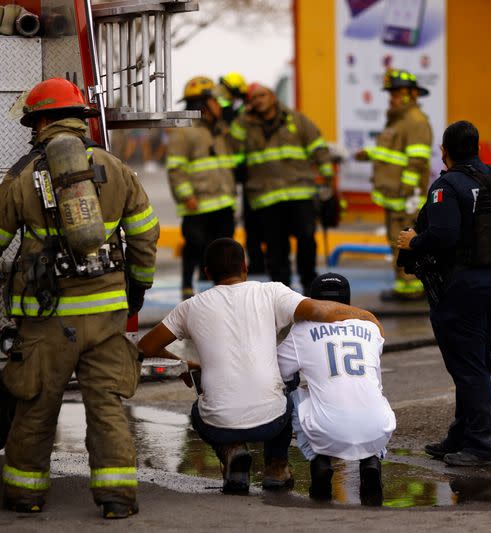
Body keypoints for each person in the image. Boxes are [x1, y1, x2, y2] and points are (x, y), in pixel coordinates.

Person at [0, 78, 159, 518]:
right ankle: (117, 499)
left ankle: (25, 496)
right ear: (79, 119)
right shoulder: (116, 169)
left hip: (47, 321)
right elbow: (144, 234)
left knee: (36, 405)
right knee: (106, 406)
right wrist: (138, 286)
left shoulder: (25, 174)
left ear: (42, 120)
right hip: (106, 317)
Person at [138, 238, 382, 493]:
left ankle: (231, 451)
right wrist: (368, 317)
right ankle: (276, 467)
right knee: (288, 385)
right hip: (273, 419)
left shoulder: (188, 308)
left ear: (207, 273)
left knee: (198, 412)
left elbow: (145, 347)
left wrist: (184, 364)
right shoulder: (271, 292)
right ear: (245, 266)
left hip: (219, 422)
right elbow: (322, 311)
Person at [397, 120, 491, 466]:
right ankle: (461, 435)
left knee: (469, 369)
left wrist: (414, 242)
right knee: (475, 364)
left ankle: (481, 445)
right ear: (476, 148)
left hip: (462, 289)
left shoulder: (447, 186)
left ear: (445, 151)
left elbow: (442, 234)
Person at [276, 273, 395, 506]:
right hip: (377, 428)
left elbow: (281, 372)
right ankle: (371, 461)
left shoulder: (301, 330)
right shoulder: (369, 328)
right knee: (371, 393)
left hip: (326, 429)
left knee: (292, 394)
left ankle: (318, 462)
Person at [229, 84, 334, 293]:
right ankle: (282, 291)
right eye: (254, 97)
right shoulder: (245, 125)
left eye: (263, 95)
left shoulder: (296, 120)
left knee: (306, 239)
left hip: (299, 192)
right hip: (266, 196)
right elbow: (232, 147)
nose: (258, 100)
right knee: (276, 247)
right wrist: (242, 120)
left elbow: (317, 145)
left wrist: (327, 177)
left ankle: (309, 283)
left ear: (273, 97)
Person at [355, 69, 433, 301]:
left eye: (397, 93)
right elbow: (393, 153)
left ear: (411, 94)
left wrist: (408, 192)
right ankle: (404, 286)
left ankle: (412, 289)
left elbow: (417, 160)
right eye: (391, 93)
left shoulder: (415, 121)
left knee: (407, 243)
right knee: (397, 242)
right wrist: (369, 153)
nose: (392, 98)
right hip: (394, 196)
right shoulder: (398, 120)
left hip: (405, 198)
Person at [167, 76, 237, 300]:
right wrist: (186, 196)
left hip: (223, 203)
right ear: (202, 103)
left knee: (221, 252)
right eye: (215, 101)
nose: (220, 106)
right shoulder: (184, 132)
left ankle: (216, 292)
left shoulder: (220, 130)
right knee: (195, 247)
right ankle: (188, 289)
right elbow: (176, 168)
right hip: (197, 205)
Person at [217, 73, 266, 275]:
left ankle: (258, 261)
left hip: (246, 173)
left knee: (254, 221)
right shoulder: (228, 110)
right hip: (236, 173)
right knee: (250, 221)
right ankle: (257, 261)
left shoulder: (240, 112)